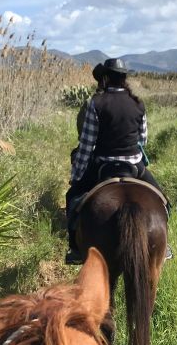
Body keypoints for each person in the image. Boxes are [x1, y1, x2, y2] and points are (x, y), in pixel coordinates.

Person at [65, 57, 170, 264]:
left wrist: (76, 176)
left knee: (72, 198)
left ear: (105, 78)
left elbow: (86, 145)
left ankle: (75, 249)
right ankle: (165, 247)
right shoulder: (138, 103)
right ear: (124, 78)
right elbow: (143, 139)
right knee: (165, 203)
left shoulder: (95, 103)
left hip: (103, 165)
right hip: (134, 167)